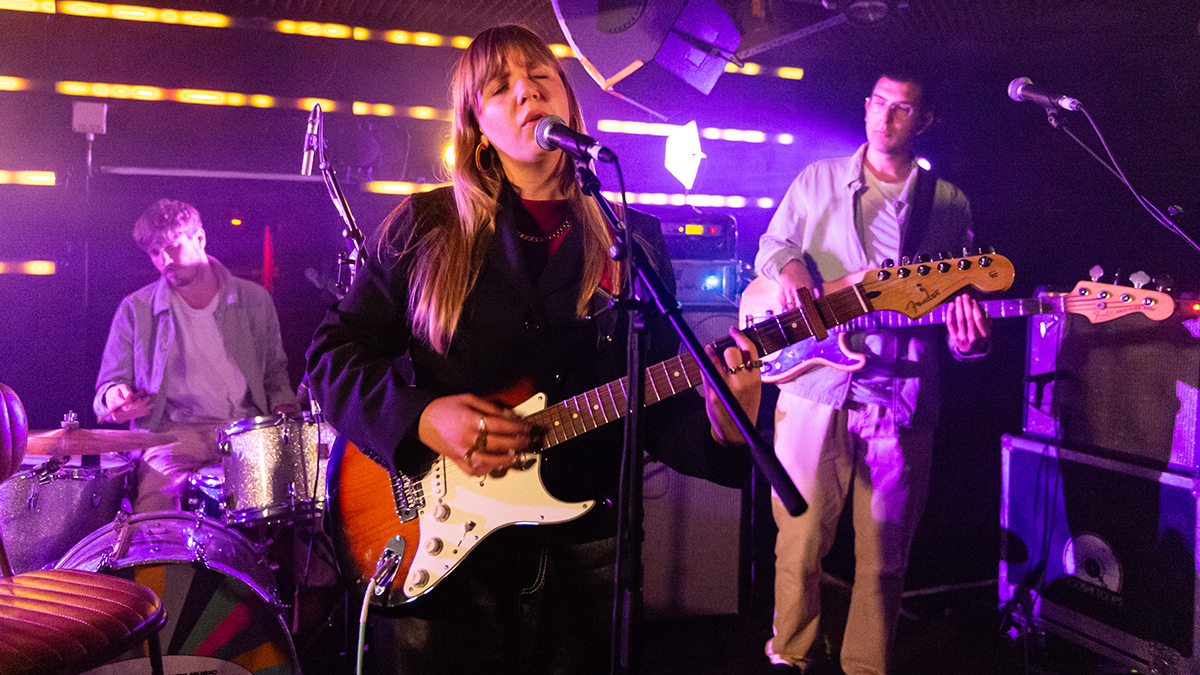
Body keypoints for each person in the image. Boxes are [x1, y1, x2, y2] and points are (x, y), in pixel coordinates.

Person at [305, 24, 762, 675]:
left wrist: (725, 424)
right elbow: (331, 354)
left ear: (571, 104)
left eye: (540, 76)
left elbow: (656, 411)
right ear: (479, 127)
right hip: (442, 556)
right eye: (501, 86)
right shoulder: (427, 226)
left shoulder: (632, 239)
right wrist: (424, 417)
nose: (526, 92)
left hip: (585, 559)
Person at [755, 69, 992, 674]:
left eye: (902, 109)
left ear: (924, 120)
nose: (885, 119)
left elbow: (957, 305)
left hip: (902, 394)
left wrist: (969, 340)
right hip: (814, 386)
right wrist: (789, 270)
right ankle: (793, 658)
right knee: (800, 543)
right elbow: (773, 245)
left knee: (885, 561)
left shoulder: (948, 203)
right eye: (878, 104)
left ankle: (867, 668)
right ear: (865, 107)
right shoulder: (818, 179)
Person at [94, 198, 298, 513]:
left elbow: (274, 375)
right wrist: (114, 399)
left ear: (199, 238)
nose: (165, 260)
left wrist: (287, 413)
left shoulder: (255, 301)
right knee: (156, 518)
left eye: (172, 247)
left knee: (293, 517)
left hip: (245, 432)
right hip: (171, 438)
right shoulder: (135, 309)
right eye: (154, 253)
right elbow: (109, 386)